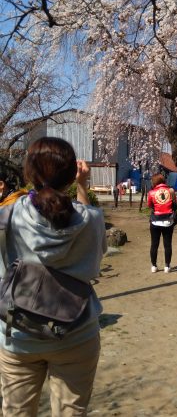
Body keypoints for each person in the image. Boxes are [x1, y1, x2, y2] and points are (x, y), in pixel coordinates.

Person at [0, 137, 107, 416]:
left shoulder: (6, 217)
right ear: (73, 174)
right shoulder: (91, 221)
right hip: (77, 334)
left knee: (16, 412)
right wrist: (83, 186)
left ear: (28, 174)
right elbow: (95, 254)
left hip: (18, 336)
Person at [147, 173, 176, 273]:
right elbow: (174, 204)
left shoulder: (151, 192)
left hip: (155, 221)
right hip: (168, 221)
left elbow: (149, 205)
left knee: (154, 245)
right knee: (167, 245)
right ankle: (167, 266)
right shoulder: (171, 191)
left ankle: (154, 266)